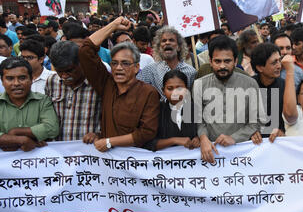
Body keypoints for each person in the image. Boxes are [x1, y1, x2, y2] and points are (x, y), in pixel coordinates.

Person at [78, 16, 160, 151]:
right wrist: (113, 25)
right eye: (114, 63)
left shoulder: (148, 92)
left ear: (136, 67)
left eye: (125, 63)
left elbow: (146, 133)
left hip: (135, 162)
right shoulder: (106, 84)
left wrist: (110, 141)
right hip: (108, 162)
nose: (119, 68)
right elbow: (85, 51)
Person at [193, 35, 265, 163]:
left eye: (227, 61)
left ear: (235, 61)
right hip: (210, 152)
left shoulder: (250, 84)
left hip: (241, 153)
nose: (222, 66)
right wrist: (203, 138)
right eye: (217, 61)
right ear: (210, 61)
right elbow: (198, 121)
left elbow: (257, 121)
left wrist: (234, 138)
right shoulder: (199, 84)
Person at [46, 40, 102, 141]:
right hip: (59, 150)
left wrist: (100, 134)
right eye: (59, 71)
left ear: (81, 63)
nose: (64, 76)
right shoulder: (52, 82)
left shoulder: (97, 82)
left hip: (90, 150)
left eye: (69, 71)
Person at [0, 57, 59, 151]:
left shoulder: (43, 101)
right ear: (2, 81)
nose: (16, 83)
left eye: (22, 78)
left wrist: (14, 132)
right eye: (10, 79)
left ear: (31, 79)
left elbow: (52, 128)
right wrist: (20, 140)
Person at [137, 26, 196, 100]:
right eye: (164, 41)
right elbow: (137, 89)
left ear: (179, 47)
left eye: (171, 40)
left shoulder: (191, 72)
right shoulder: (150, 69)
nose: (167, 43)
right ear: (159, 47)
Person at [146, 70, 199, 151]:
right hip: (164, 161)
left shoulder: (196, 109)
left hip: (192, 161)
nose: (175, 93)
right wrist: (173, 140)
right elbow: (148, 143)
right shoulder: (156, 110)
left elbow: (205, 133)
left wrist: (199, 138)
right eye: (170, 89)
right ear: (163, 91)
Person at [249, 43, 285, 144]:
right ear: (260, 68)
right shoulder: (247, 87)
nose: (279, 66)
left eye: (279, 60)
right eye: (274, 63)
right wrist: (249, 132)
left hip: (278, 143)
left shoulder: (285, 85)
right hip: (254, 145)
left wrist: (282, 131)